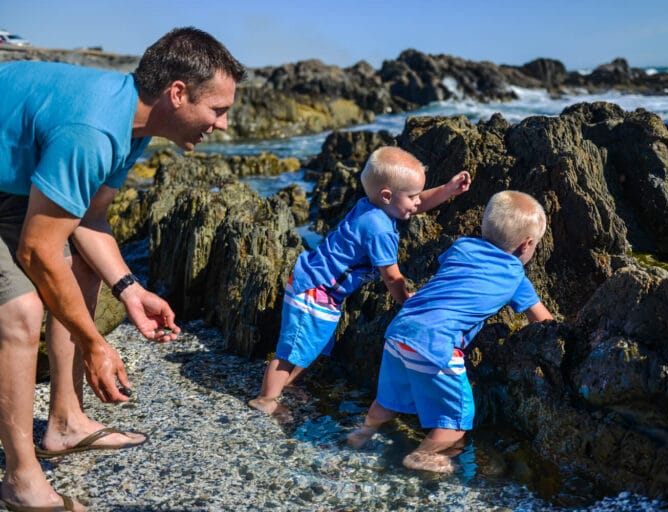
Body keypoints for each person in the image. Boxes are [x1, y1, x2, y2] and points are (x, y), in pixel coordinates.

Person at [0, 27, 246, 511]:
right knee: (22, 311)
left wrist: (129, 289)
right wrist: (95, 343)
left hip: (11, 180)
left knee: (86, 271)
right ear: (178, 93)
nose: (221, 125)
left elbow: (90, 217)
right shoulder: (93, 130)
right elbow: (36, 252)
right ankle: (20, 477)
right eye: (217, 110)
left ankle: (66, 423)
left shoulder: (132, 123)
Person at [247, 146, 472, 417]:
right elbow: (391, 276)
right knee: (291, 349)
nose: (416, 202)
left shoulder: (375, 206)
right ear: (387, 196)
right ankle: (265, 399)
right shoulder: (378, 230)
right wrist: (407, 303)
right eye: (412, 196)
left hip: (322, 290)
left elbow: (416, 204)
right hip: (316, 290)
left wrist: (447, 189)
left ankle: (286, 386)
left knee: (313, 344)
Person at [347, 190, 554, 473]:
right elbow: (544, 322)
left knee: (388, 400)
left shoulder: (462, 246)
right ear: (526, 245)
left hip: (400, 330)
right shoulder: (515, 276)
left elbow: (449, 272)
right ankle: (423, 454)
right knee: (456, 421)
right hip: (438, 344)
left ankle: (362, 434)